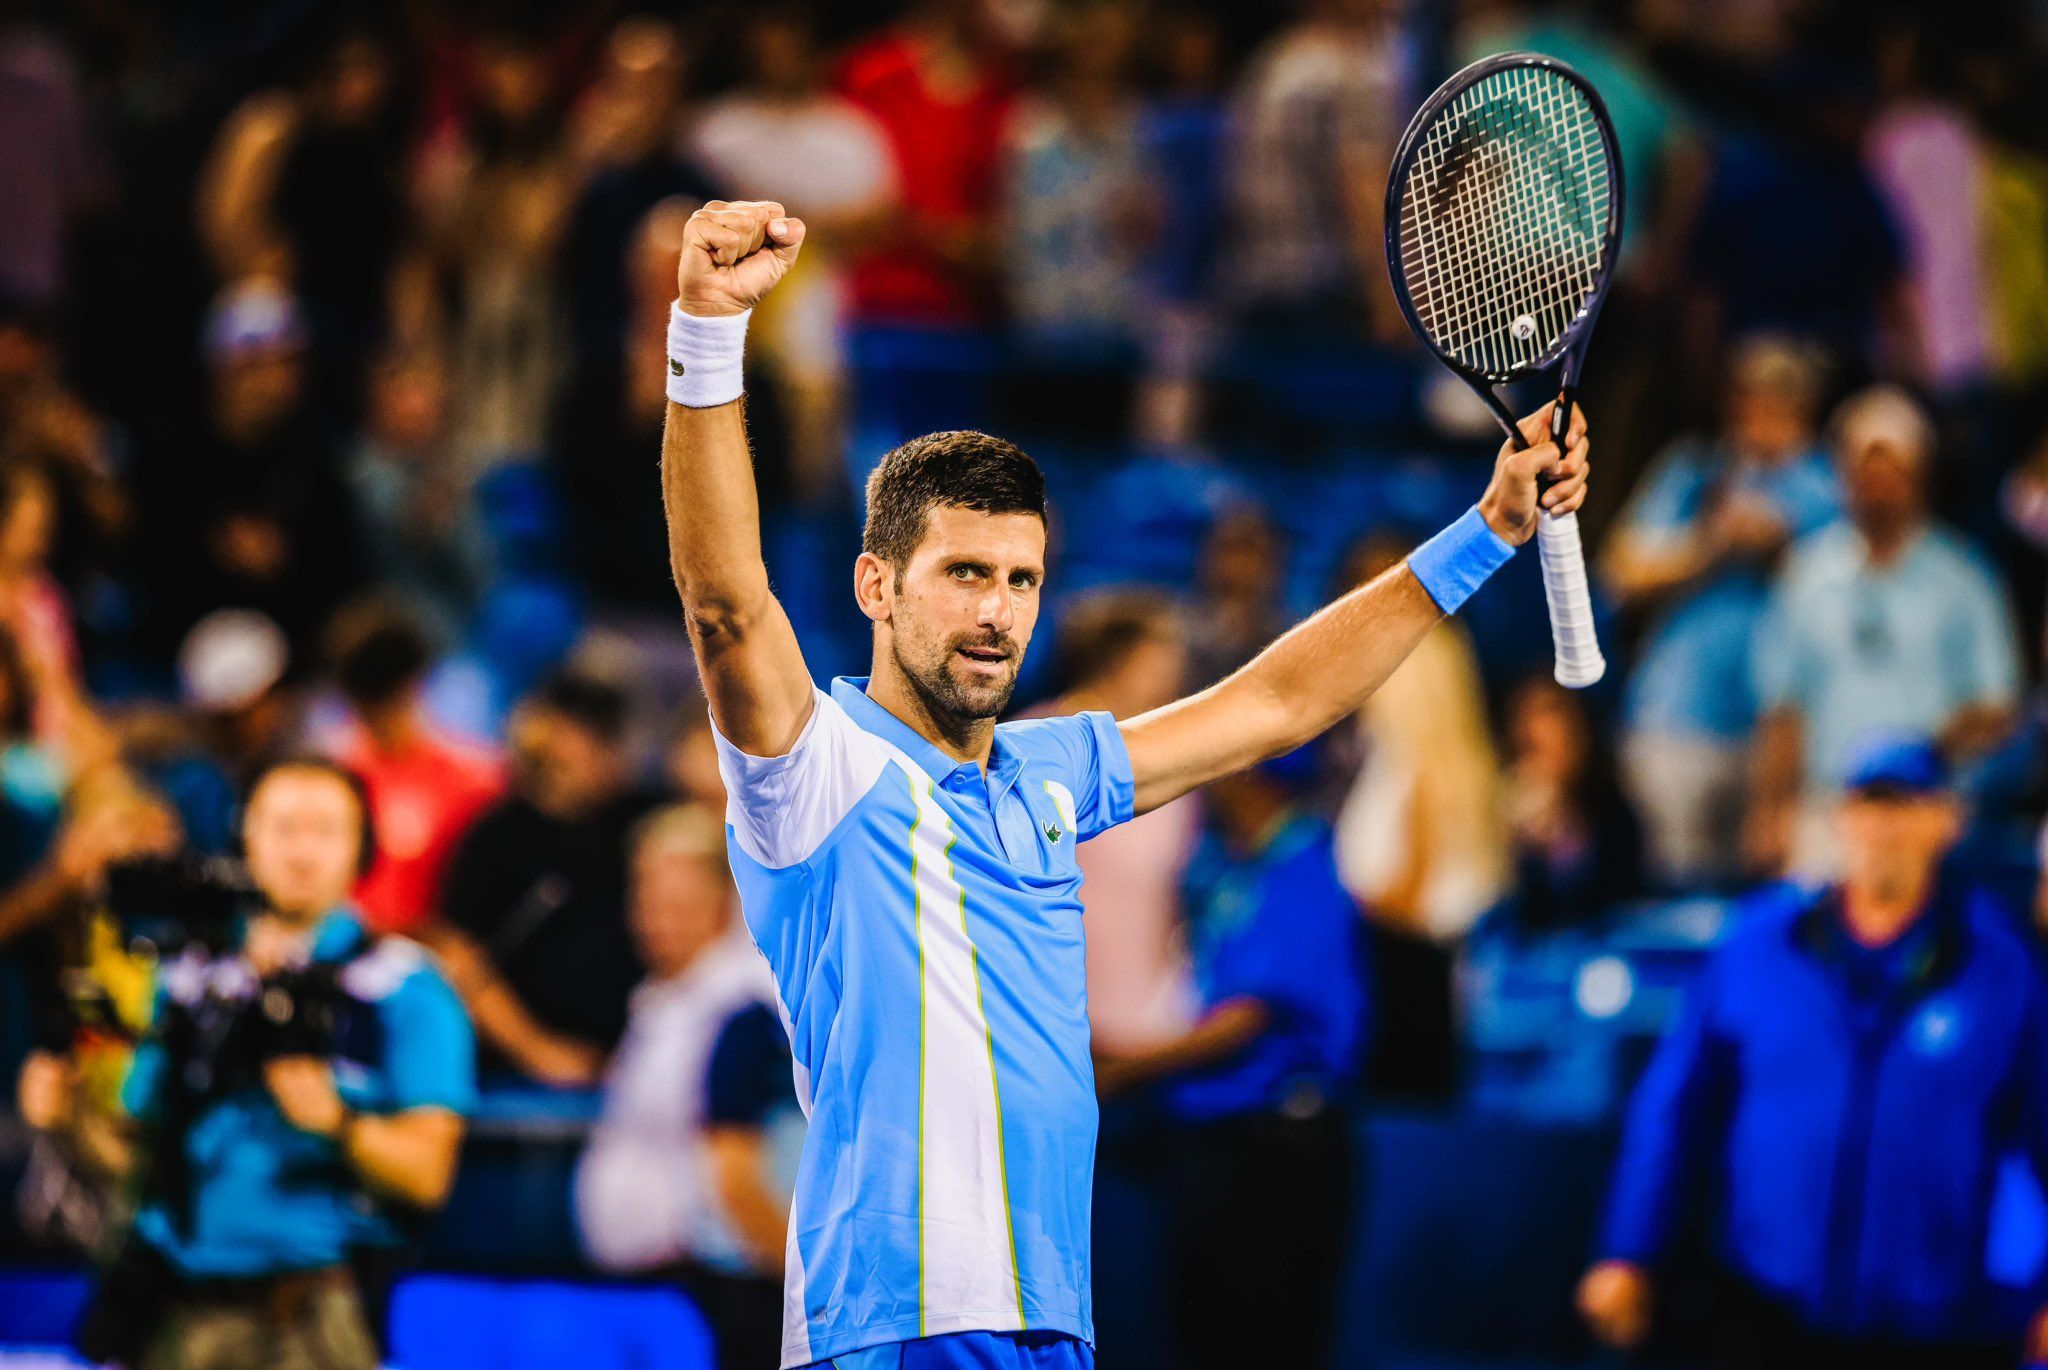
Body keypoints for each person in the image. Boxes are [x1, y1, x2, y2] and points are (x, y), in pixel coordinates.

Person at [659, 197, 1590, 1368]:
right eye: (960, 573)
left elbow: (1275, 703)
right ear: (874, 586)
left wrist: (1489, 528)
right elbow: (723, 601)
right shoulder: (815, 771)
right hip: (892, 1331)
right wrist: (705, 330)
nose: (996, 611)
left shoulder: (1058, 766)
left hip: (1052, 1325)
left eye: (1020, 578)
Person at [1578, 735, 2048, 1369]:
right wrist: (1628, 1250)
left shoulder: (1998, 966)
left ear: (1947, 821)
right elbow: (1674, 1107)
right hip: (1767, 1303)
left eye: (1906, 807)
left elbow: (2041, 1132)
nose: (1884, 828)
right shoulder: (1760, 945)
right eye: (1869, 806)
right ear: (1841, 818)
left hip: (1933, 1320)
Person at [40, 756, 474, 1370]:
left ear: (362, 849)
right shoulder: (193, 978)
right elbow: (136, 1164)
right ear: (244, 839)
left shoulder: (403, 987)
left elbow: (429, 1174)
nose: (302, 850)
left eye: (324, 830)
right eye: (282, 827)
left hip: (312, 1315)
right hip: (179, 1311)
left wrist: (340, 1125)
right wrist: (71, 1115)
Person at [1094, 750, 1366, 1370]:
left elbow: (1248, 1017)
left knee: (1260, 1343)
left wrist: (1126, 1068)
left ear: (1251, 775)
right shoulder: (1237, 868)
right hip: (1217, 1146)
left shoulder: (1302, 868)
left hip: (1276, 1158)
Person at [1748, 386, 2021, 877]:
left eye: (1890, 473)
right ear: (1845, 479)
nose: (1877, 487)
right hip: (1826, 808)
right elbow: (1783, 707)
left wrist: (1918, 754)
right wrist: (1771, 809)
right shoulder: (1807, 575)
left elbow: (1997, 706)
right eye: (1864, 474)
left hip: (1926, 808)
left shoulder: (1964, 579)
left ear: (1918, 478)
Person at [1602, 337, 1840, 885]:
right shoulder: (1695, 471)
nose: (1760, 414)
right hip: (1679, 718)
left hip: (1781, 734)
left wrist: (1778, 542)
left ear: (1804, 408)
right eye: (1751, 399)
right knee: (1674, 887)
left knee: (1773, 894)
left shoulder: (1824, 482)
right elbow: (1623, 568)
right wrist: (1710, 547)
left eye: (1780, 401)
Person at [576, 804, 796, 1370]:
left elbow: (737, 1174)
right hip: (647, 1296)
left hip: (710, 1296)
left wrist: (802, 1293)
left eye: (679, 906)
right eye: (647, 904)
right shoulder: (661, 998)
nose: (657, 922)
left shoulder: (742, 1007)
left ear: (725, 901)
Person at [432, 670, 659, 1085]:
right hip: (514, 1079)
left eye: (606, 734)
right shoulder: (495, 836)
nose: (594, 748)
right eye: (581, 730)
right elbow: (456, 953)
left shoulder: (646, 823)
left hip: (639, 1068)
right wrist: (535, 1049)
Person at [321, 600, 502, 937]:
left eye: (386, 697)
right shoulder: (326, 779)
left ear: (415, 682)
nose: (377, 718)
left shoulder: (479, 783)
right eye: (367, 701)